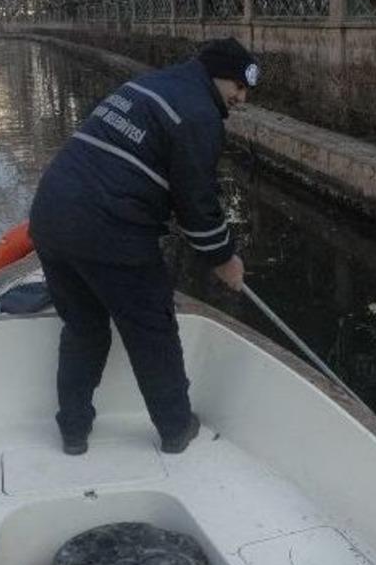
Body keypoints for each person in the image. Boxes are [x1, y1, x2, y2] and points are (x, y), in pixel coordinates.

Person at [28, 37, 259, 456]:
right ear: (217, 75)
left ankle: (74, 431)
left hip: (50, 215)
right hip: (109, 230)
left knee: (83, 327)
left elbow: (127, 161)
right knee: (152, 330)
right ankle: (175, 429)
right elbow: (198, 202)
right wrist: (224, 258)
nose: (241, 98)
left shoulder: (149, 86)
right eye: (239, 87)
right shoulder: (198, 115)